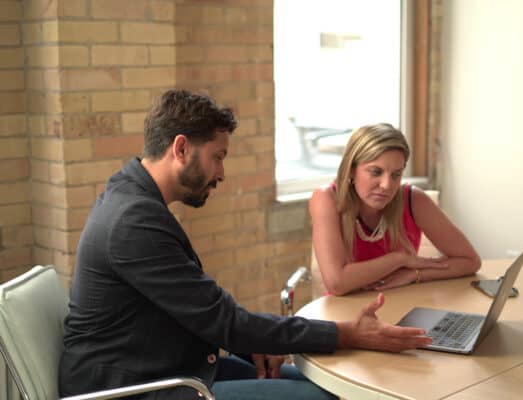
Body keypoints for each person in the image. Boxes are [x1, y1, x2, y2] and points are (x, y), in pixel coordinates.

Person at [59, 91, 433, 400]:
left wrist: (250, 344)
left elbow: (204, 314)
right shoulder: (134, 222)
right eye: (218, 157)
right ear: (181, 148)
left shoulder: (132, 198)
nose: (221, 173)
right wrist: (348, 333)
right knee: (324, 398)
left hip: (171, 366)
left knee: (332, 389)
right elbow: (224, 321)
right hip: (134, 389)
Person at [309, 123, 481, 296]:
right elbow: (337, 283)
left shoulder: (414, 199)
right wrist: (399, 259)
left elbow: (470, 261)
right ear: (352, 170)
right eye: (376, 172)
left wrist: (414, 275)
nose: (386, 185)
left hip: (401, 303)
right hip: (347, 310)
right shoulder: (326, 198)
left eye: (396, 174)